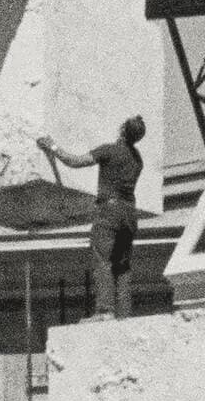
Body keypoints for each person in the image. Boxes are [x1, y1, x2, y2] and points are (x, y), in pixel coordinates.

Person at [44, 113, 148, 320]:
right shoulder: (138, 161)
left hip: (109, 212)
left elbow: (74, 161)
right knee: (122, 266)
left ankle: (105, 310)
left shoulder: (109, 151)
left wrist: (52, 147)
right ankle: (124, 314)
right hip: (129, 215)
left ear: (122, 130)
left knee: (103, 260)